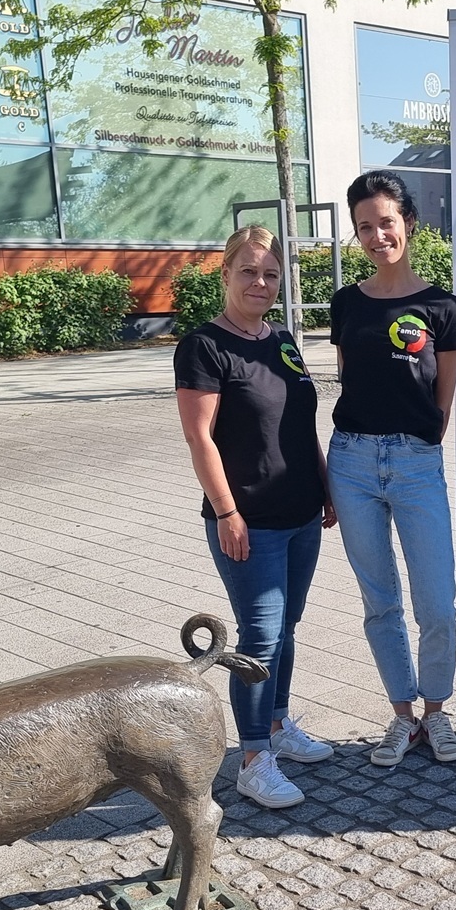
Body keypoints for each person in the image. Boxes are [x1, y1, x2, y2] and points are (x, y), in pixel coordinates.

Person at [175, 225, 336, 809]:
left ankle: (276, 724)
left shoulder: (283, 340)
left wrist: (325, 488)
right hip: (249, 520)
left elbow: (299, 424)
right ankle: (251, 759)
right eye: (248, 271)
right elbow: (200, 438)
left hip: (300, 513)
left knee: (286, 628)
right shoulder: (203, 346)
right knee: (261, 638)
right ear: (225, 274)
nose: (260, 283)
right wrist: (227, 512)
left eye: (271, 274)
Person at [328, 170, 456, 768]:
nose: (377, 235)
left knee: (437, 603)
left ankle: (437, 712)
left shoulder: (441, 306)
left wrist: (421, 438)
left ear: (408, 222)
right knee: (380, 601)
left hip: (415, 463)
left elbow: (444, 395)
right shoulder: (346, 303)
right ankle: (403, 716)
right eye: (364, 226)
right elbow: (349, 379)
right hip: (351, 462)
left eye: (386, 222)